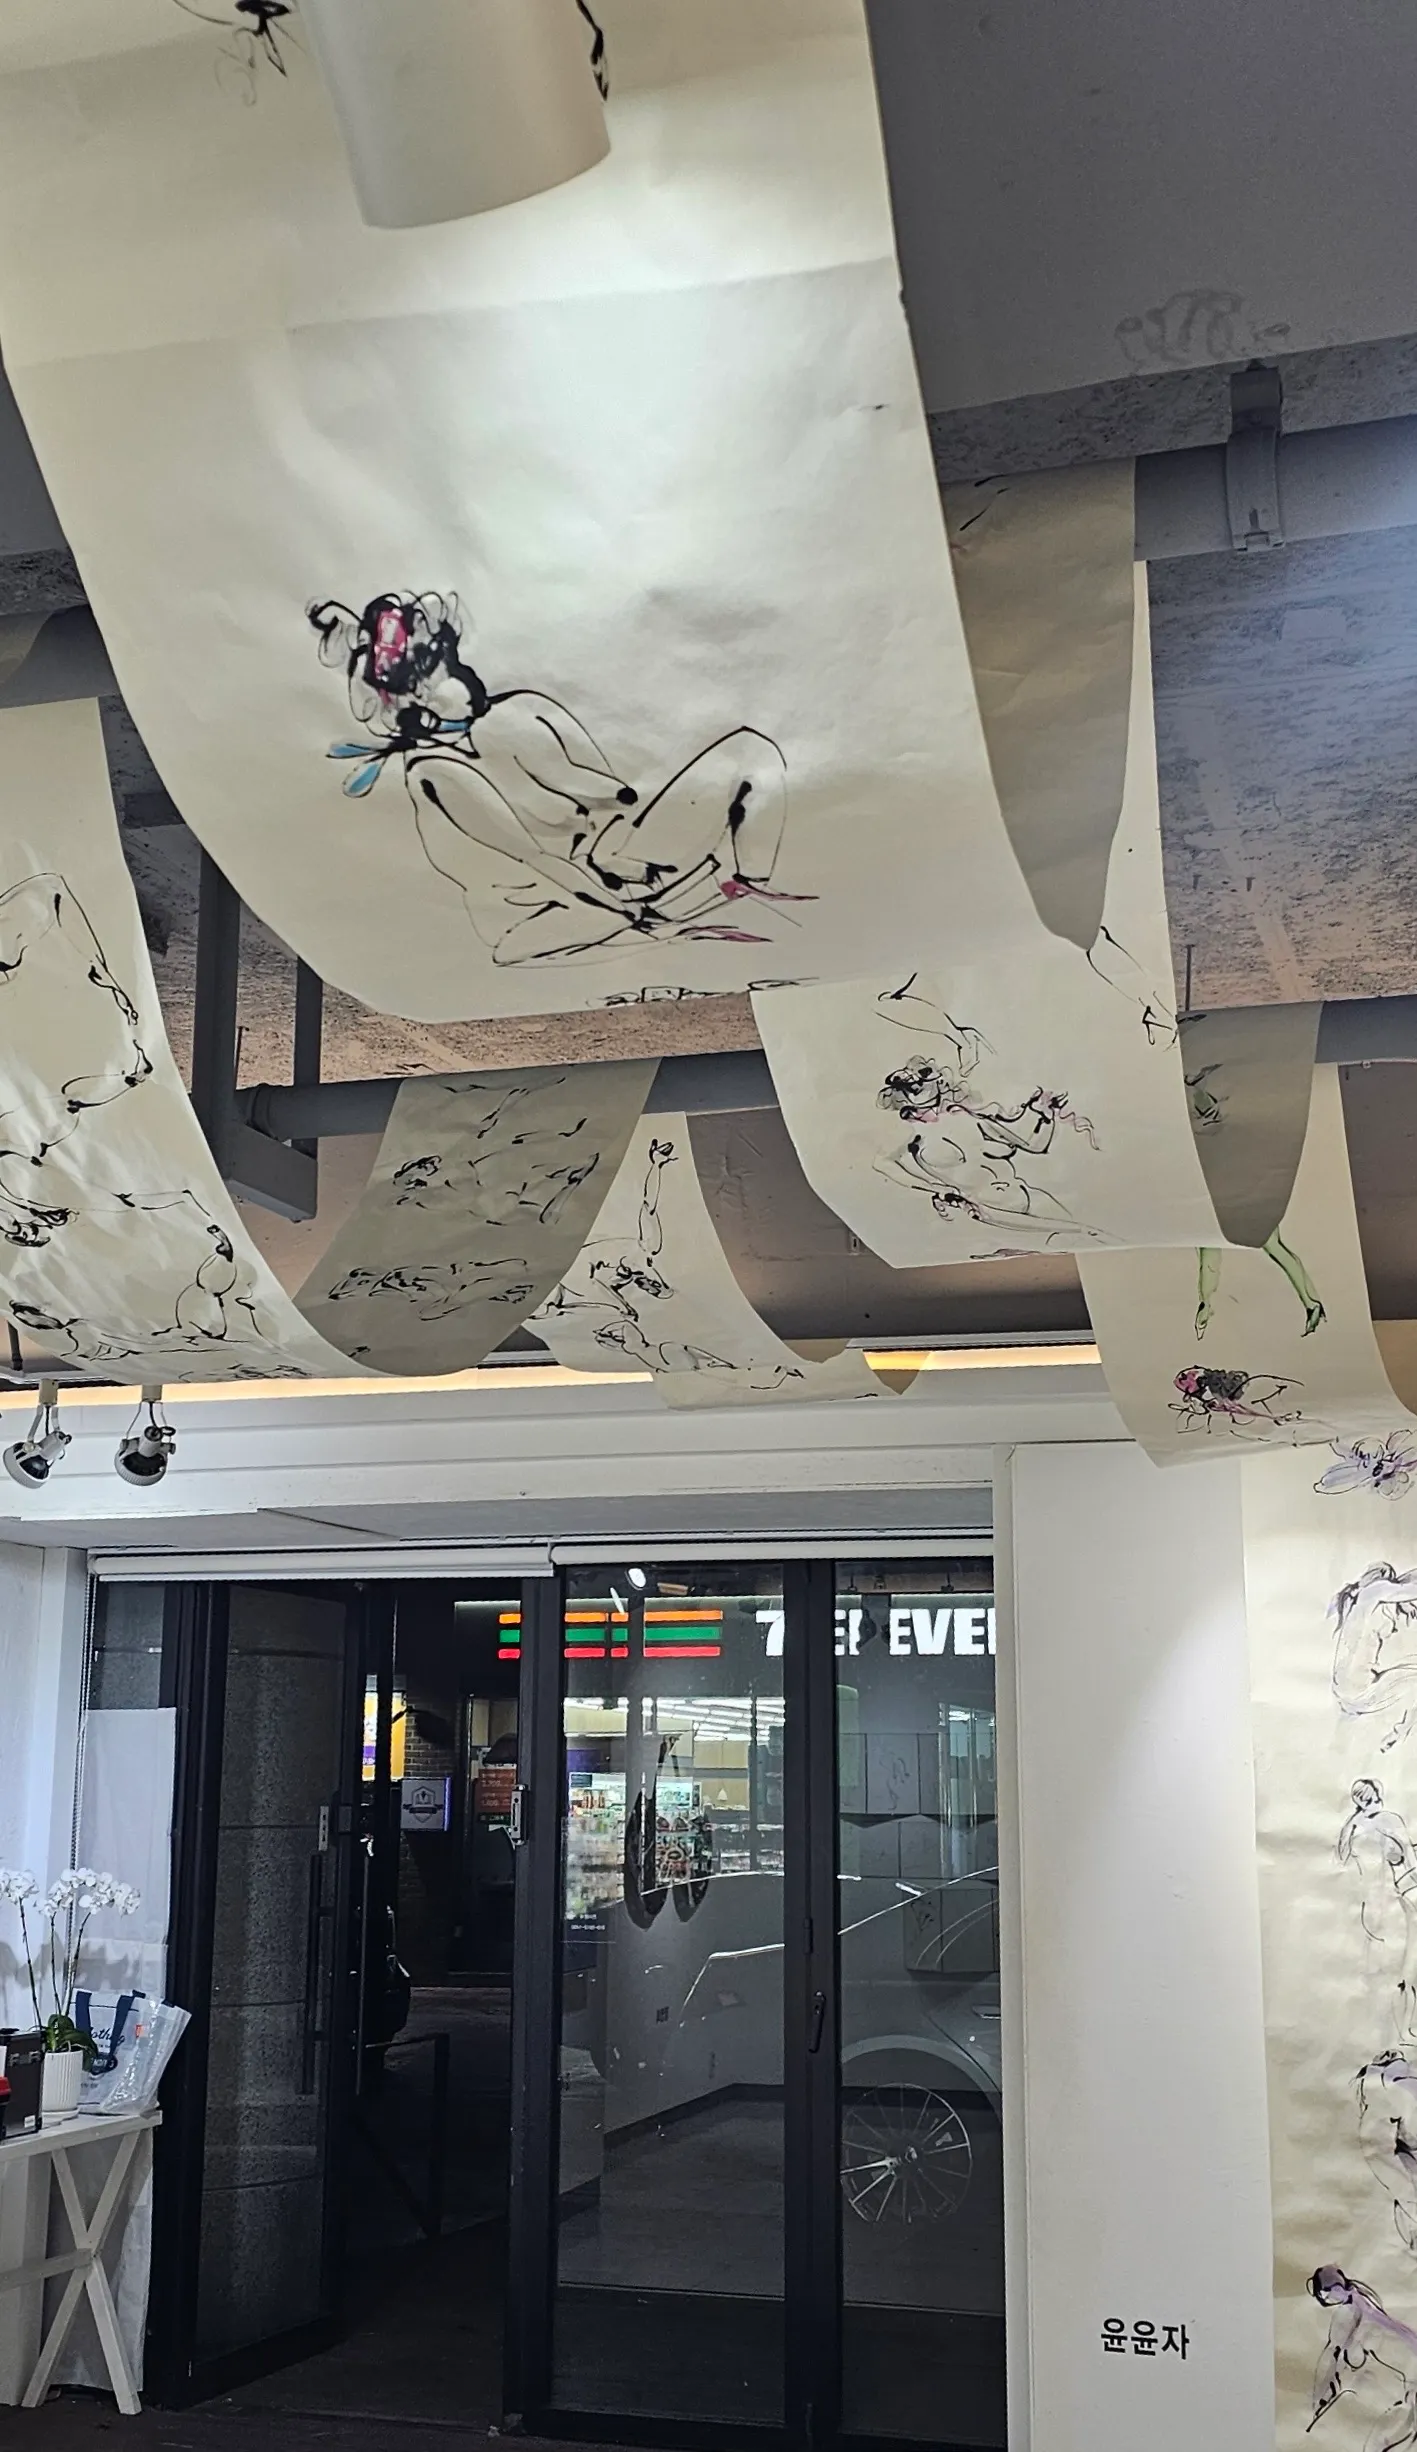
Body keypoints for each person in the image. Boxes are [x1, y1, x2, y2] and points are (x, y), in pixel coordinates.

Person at [309, 593, 796, 967]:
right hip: (549, 912)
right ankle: (679, 921)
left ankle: (748, 885)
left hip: (615, 872)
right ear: (409, 701)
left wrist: (631, 840)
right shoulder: (436, 773)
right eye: (429, 671)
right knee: (576, 918)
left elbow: (617, 798)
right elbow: (538, 862)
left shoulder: (519, 711)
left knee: (749, 754)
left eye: (446, 656)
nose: (453, 674)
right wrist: (640, 919)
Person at [1310, 2266, 1417, 2448]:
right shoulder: (1364, 2297)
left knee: (1378, 2444)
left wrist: (1318, 2401)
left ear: (1325, 2293)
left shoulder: (1349, 2311)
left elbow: (1331, 2354)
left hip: (1409, 2374)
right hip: (1410, 2362)